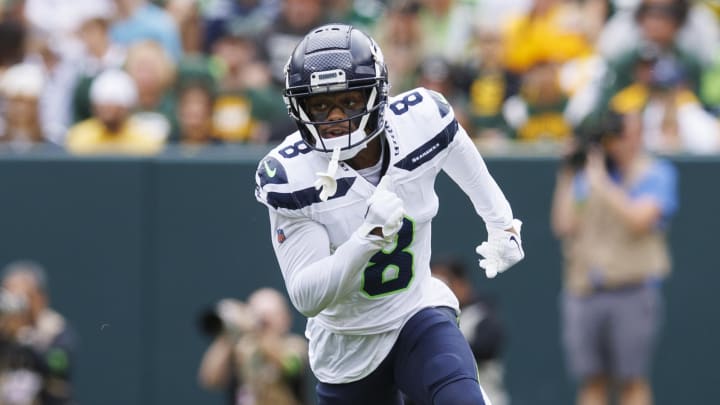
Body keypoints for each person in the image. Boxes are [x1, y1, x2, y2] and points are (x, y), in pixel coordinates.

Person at [254, 23, 525, 405]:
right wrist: (366, 239)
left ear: (375, 95)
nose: (335, 118)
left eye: (348, 102)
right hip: (347, 346)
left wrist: (503, 224)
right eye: (320, 105)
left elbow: (465, 158)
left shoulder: (422, 120)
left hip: (416, 312)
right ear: (300, 107)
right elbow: (306, 296)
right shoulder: (289, 174)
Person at [550, 108, 679, 405]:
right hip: (584, 289)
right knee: (592, 380)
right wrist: (569, 172)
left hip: (631, 289)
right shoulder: (587, 177)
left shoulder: (656, 173)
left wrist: (603, 183)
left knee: (632, 380)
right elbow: (564, 224)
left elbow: (639, 219)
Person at [197, 287, 308, 405]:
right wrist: (228, 334)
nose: (261, 322)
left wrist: (256, 332)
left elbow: (291, 366)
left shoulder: (295, 344)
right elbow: (210, 379)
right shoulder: (239, 348)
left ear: (286, 318)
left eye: (267, 316)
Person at [430, 257, 509, 405]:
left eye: (445, 283)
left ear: (461, 284)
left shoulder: (481, 315)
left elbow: (486, 346)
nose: (439, 291)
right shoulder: (427, 318)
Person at [0, 260, 77, 405]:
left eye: (24, 295)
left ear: (40, 297)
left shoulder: (55, 328)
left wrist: (27, 341)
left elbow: (58, 365)